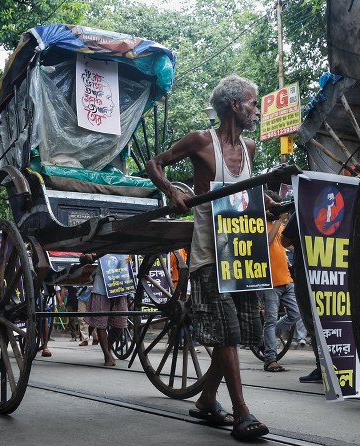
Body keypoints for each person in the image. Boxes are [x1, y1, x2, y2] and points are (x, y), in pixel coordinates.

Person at [146, 75, 269, 440]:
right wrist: (172, 191)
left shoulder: (250, 148)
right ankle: (242, 411)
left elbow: (246, 194)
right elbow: (155, 163)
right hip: (209, 253)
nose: (258, 110)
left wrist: (273, 203)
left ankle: (207, 399)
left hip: (242, 255)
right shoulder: (201, 140)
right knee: (227, 332)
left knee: (239, 332)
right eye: (253, 103)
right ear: (235, 105)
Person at [257, 193, 301, 372]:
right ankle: (270, 359)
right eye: (272, 208)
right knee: (270, 320)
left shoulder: (280, 225)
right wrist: (279, 220)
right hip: (270, 281)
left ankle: (266, 339)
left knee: (295, 314)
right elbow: (267, 241)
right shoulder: (258, 224)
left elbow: (284, 243)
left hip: (286, 279)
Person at [280, 214, 324, 383]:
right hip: (335, 269)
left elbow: (284, 241)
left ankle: (322, 367)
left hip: (307, 270)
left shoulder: (303, 209)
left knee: (312, 320)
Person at [81, 253, 129, 366]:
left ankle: (108, 347)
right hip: (102, 285)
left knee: (120, 324)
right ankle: (107, 355)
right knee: (101, 323)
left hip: (120, 285)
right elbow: (84, 257)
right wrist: (88, 256)